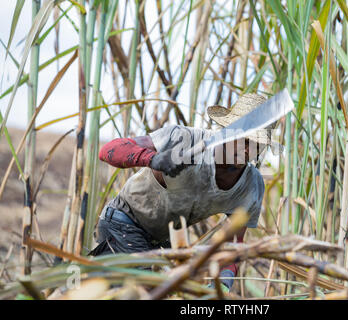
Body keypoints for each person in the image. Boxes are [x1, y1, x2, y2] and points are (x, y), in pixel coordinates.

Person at [89, 93, 274, 292]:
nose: (247, 150)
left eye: (255, 143)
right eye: (243, 139)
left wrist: (221, 288)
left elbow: (232, 247)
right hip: (124, 221)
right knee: (144, 292)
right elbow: (109, 150)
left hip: (161, 240)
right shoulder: (184, 139)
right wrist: (153, 159)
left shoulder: (250, 186)